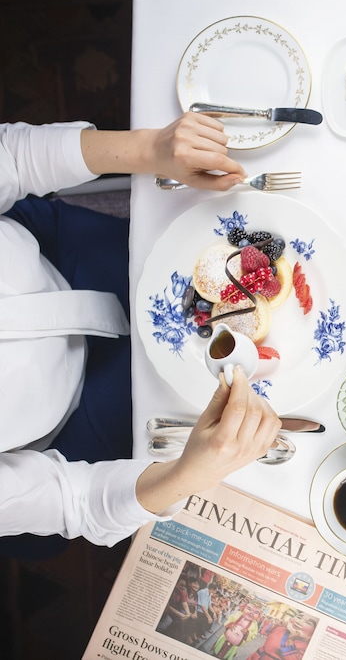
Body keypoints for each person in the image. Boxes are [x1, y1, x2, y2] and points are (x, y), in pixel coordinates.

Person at [0, 112, 280, 558]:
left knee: (209, 226)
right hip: (77, 414)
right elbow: (75, 502)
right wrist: (190, 473)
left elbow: (11, 158)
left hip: (52, 258)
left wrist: (153, 149)